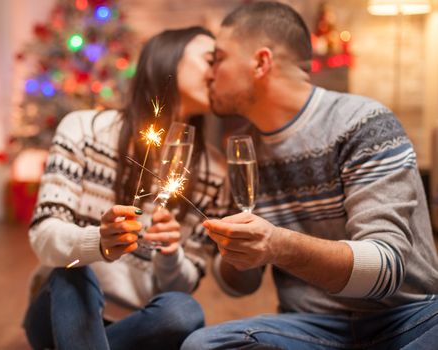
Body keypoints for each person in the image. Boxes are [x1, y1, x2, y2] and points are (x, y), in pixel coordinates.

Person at [182, 2, 438, 349]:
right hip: (310, 328)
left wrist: (278, 245)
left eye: (219, 59)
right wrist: (233, 250)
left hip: (405, 319)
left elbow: (385, 271)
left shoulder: (361, 123)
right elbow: (241, 286)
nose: (209, 74)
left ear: (260, 62)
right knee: (204, 345)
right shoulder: (244, 149)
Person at [23, 26, 228, 350]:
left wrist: (170, 253)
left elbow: (183, 284)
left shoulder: (214, 173)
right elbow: (43, 237)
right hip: (59, 308)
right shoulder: (84, 130)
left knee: (183, 310)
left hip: (139, 323)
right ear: (168, 58)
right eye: (210, 60)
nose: (219, 73)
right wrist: (98, 242)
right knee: (74, 270)